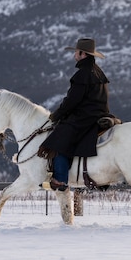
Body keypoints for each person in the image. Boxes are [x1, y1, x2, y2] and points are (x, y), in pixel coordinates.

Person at [38, 38, 111, 191]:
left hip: (85, 117)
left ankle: (60, 179)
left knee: (59, 138)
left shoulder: (82, 74)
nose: (74, 55)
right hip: (101, 114)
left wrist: (57, 115)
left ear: (83, 54)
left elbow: (72, 101)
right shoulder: (98, 72)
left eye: (76, 52)